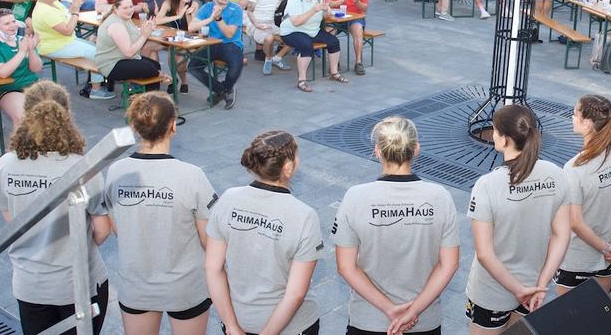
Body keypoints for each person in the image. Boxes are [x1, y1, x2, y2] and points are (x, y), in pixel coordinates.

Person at [0, 86, 111, 334]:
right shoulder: (82, 166)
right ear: (67, 114)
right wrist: (73, 243)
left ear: (26, 114)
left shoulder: (6, 164)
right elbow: (103, 229)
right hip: (77, 283)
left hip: (30, 284)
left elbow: (10, 217)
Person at [101, 91, 216, 335]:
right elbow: (209, 240)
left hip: (137, 284)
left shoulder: (116, 171)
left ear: (134, 126)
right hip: (185, 287)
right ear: (173, 126)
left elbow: (117, 227)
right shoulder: (192, 175)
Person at [334, 116, 460, 334]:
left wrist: (390, 309)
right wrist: (413, 312)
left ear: (378, 151)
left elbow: (346, 266)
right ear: (416, 149)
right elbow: (449, 265)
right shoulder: (440, 197)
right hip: (423, 321)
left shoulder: (355, 197)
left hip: (369, 320)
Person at [205, 130, 323, 335]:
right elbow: (295, 294)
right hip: (292, 328)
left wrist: (231, 325)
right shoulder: (304, 215)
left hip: (239, 322)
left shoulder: (228, 199)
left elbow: (212, 269)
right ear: (287, 167)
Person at [465, 105, 569, 333]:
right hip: (533, 288)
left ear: (503, 140)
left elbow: (484, 253)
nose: (492, 135)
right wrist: (541, 285)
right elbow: (562, 235)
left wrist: (517, 290)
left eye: (494, 130)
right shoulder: (555, 174)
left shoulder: (487, 185)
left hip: (491, 293)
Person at [556, 95, 611, 295]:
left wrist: (607, 248)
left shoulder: (574, 169)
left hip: (578, 259)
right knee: (598, 315)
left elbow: (575, 223)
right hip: (608, 256)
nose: (571, 117)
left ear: (588, 123)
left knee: (568, 321)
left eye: (575, 114)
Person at [32, 0, 113, 99]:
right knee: (97, 53)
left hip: (64, 41)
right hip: (54, 46)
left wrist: (75, 6)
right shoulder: (45, 10)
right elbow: (68, 31)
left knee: (96, 49)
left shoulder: (52, 2)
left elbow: (67, 17)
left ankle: (97, 83)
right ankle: (95, 90)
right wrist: (76, 11)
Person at [281, 0, 347, 92]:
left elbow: (327, 16)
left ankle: (334, 72)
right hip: (292, 31)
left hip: (312, 30)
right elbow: (296, 22)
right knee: (306, 46)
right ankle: (302, 80)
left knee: (334, 41)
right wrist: (314, 10)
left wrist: (326, 9)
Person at [95, 0, 171, 91]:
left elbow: (134, 41)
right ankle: (149, 97)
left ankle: (148, 98)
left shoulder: (125, 19)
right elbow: (129, 53)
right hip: (111, 65)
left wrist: (147, 29)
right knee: (149, 69)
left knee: (154, 65)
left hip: (122, 58)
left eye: (131, 7)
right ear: (115, 8)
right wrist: (144, 35)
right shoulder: (116, 25)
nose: (130, 10)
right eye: (125, 8)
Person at [188, 0, 244, 109]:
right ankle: (223, 90)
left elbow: (229, 34)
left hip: (231, 44)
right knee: (193, 67)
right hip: (211, 43)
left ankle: (224, 88)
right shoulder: (207, 8)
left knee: (236, 66)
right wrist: (211, 18)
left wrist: (218, 19)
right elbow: (191, 27)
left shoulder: (235, 9)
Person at [0, 9, 42, 126]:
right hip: (9, 89)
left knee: (57, 113)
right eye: (7, 23)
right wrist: (22, 52)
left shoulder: (22, 40)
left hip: (33, 84)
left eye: (13, 21)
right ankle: (21, 144)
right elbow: (2, 73)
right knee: (23, 117)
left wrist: (31, 49)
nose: (12, 26)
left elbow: (36, 69)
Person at [245, 0, 292, 75]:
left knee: (295, 37)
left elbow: (288, 2)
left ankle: (277, 58)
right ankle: (268, 59)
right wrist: (257, 24)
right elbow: (249, 11)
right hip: (257, 22)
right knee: (269, 38)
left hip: (274, 22)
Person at [323, 0, 369, 75]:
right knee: (329, 31)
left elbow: (365, 8)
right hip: (336, 18)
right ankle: (334, 63)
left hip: (354, 17)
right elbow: (327, 3)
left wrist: (357, 2)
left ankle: (358, 62)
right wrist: (342, 0)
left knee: (358, 30)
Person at [153, 0, 198, 94]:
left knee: (178, 58)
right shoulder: (169, 3)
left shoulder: (194, 5)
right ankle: (169, 79)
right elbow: (157, 20)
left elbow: (193, 29)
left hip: (190, 38)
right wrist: (177, 16)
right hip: (174, 37)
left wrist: (188, 14)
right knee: (158, 50)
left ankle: (184, 81)